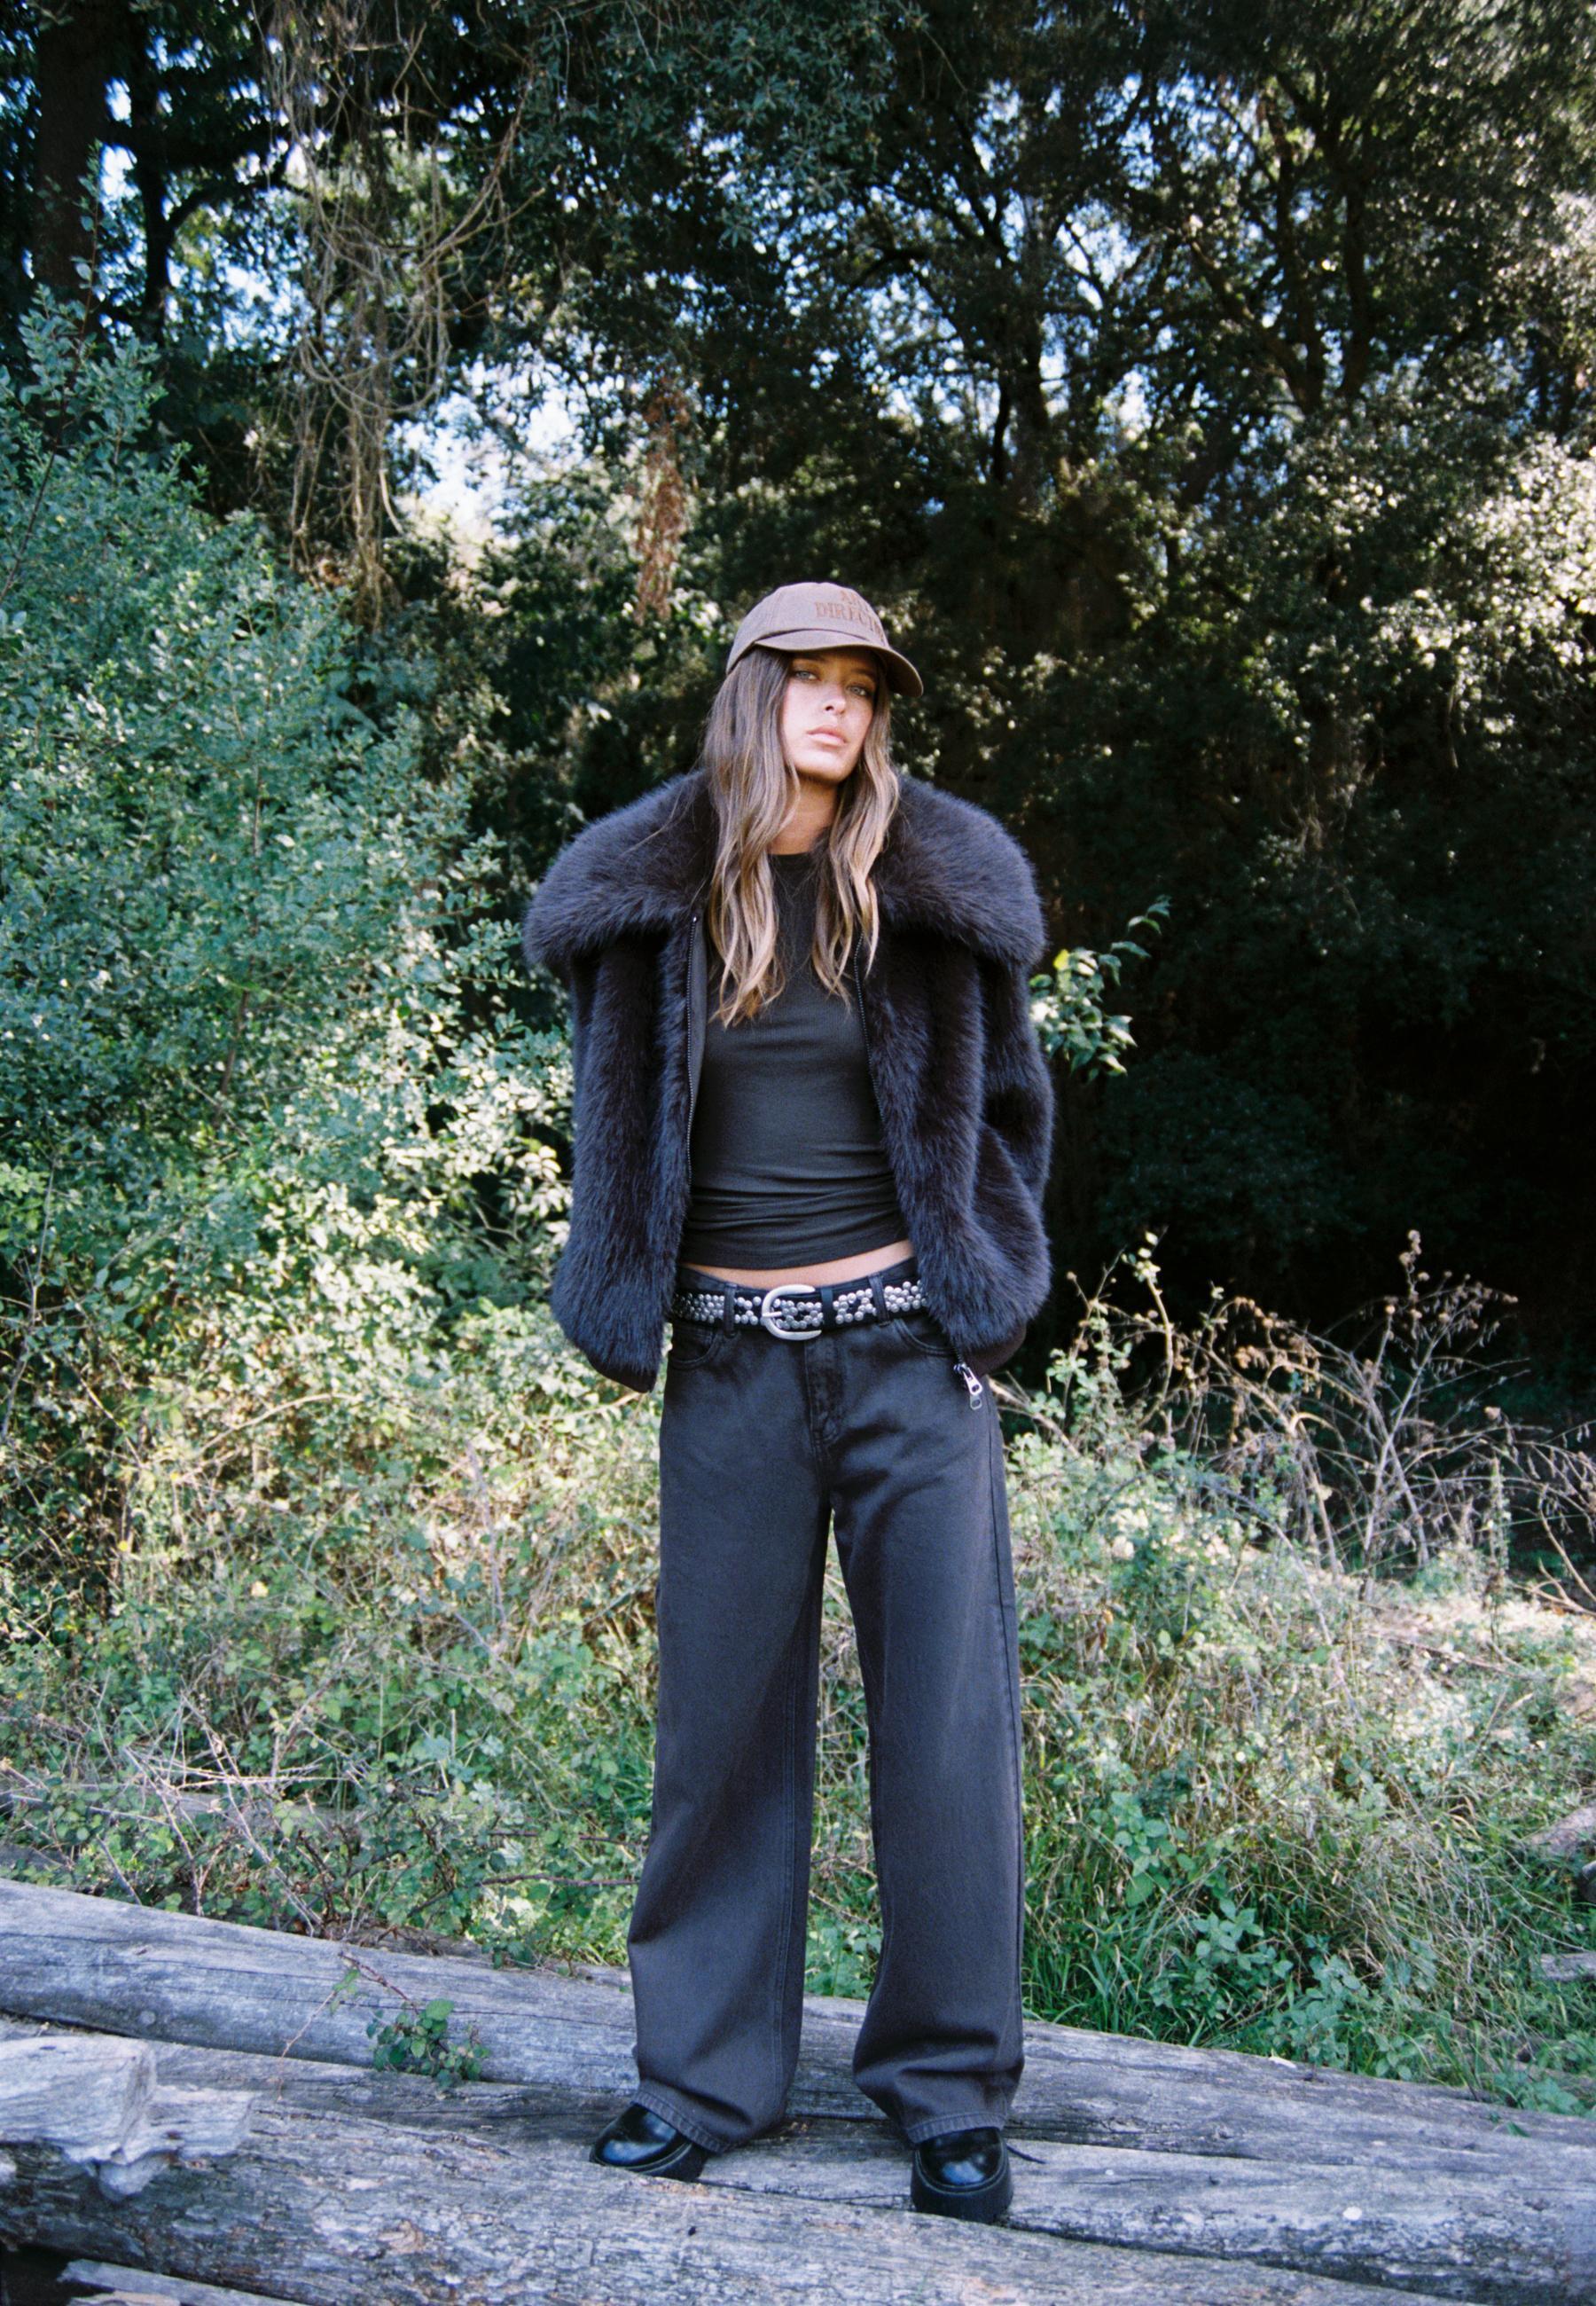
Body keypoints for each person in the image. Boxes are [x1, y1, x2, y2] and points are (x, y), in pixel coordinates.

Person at [520, 581, 1054, 2224]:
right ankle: (700, 2080)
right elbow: (611, 1122)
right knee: (721, 1735)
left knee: (946, 1739)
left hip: (908, 1362)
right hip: (732, 1364)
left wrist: (981, 1295)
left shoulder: (932, 890)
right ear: (750, 693)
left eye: (861, 686)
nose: (837, 706)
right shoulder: (657, 897)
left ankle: (949, 2096)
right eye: (807, 678)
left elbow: (1012, 1115)